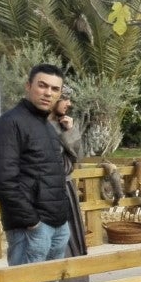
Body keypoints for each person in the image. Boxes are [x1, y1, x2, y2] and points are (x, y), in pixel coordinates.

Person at [0, 64, 73, 282]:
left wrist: (61, 223)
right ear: (28, 86)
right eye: (42, 85)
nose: (47, 92)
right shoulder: (8, 124)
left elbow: (60, 170)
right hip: (31, 229)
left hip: (57, 226)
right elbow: (2, 181)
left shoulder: (46, 126)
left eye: (54, 88)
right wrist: (32, 222)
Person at [52, 92, 88, 260]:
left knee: (72, 240)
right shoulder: (39, 126)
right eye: (65, 99)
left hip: (67, 189)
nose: (69, 103)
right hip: (50, 191)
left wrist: (71, 131)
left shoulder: (67, 124)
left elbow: (78, 157)